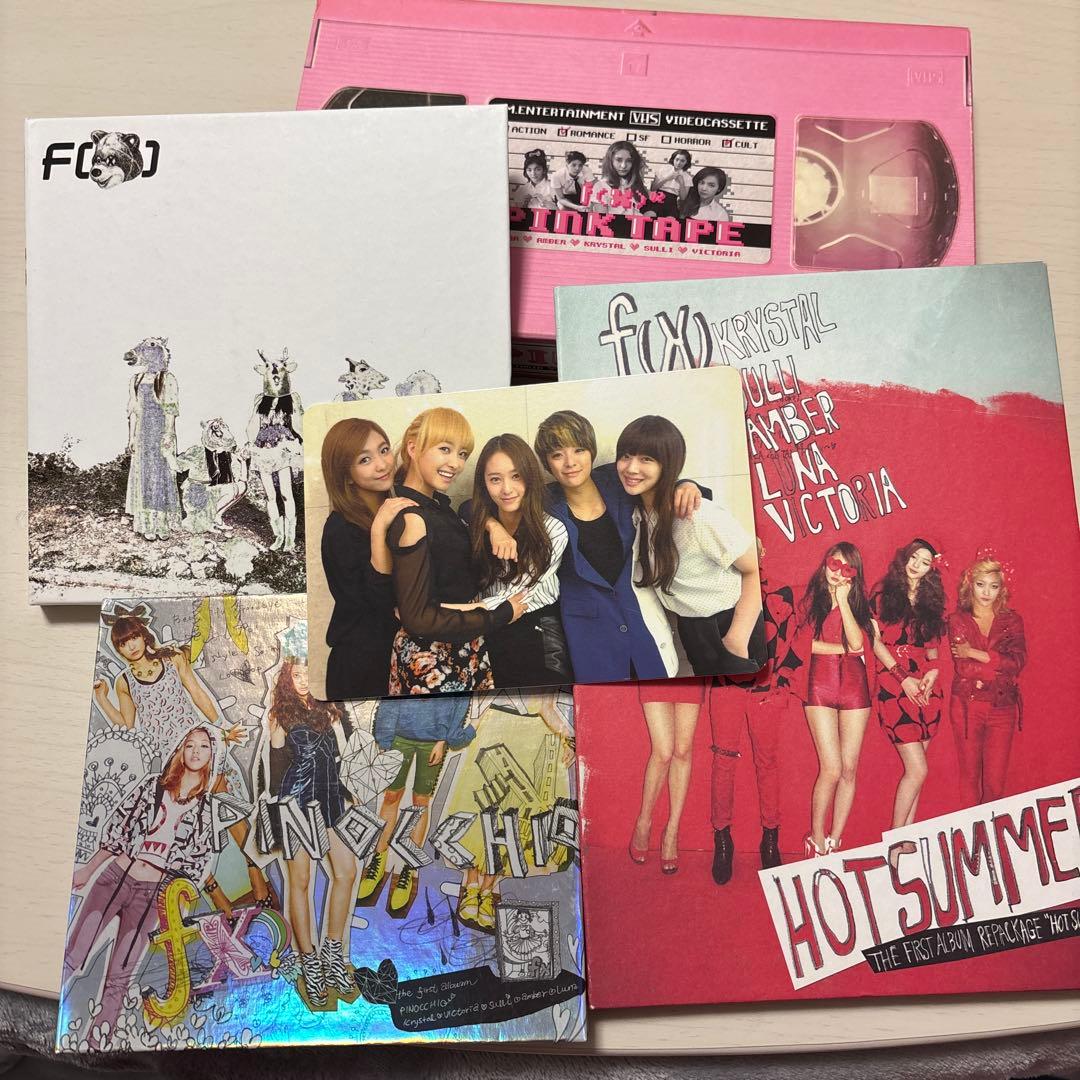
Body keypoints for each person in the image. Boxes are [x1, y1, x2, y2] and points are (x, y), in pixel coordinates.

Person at [91, 607, 267, 914]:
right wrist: (102, 699)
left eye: (133, 637)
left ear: (143, 635)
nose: (130, 646)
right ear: (118, 649)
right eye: (122, 643)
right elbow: (128, 726)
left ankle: (255, 869)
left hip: (197, 744)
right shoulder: (124, 681)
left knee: (224, 803)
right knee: (181, 827)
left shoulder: (172, 659)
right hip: (170, 761)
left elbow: (197, 693)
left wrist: (221, 727)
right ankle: (217, 898)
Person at [63, 726, 220, 1047]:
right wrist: (89, 869)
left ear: (211, 756)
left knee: (120, 974)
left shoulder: (206, 811)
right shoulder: (153, 786)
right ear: (180, 750)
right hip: (114, 879)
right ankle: (58, 1020)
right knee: (73, 955)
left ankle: (98, 1043)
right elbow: (119, 828)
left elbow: (196, 862)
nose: (195, 752)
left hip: (151, 896)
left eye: (203, 747)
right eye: (189, 744)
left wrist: (174, 905)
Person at [533, 410, 706, 683]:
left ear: (591, 451)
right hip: (589, 635)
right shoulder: (541, 502)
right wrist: (494, 527)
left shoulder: (617, 480)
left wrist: (687, 484)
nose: (570, 463)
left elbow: (663, 483)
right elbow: (474, 508)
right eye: (557, 455)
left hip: (641, 622)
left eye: (578, 450)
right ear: (547, 464)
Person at [387, 407, 526, 694]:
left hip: (463, 644)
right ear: (413, 448)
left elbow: (468, 509)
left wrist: (493, 526)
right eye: (445, 449)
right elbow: (419, 618)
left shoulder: (437, 506)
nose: (456, 463)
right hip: (432, 660)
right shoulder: (413, 517)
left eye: (462, 454)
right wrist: (499, 615)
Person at [255, 622, 359, 1009]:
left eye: (308, 673)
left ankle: (332, 953)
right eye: (296, 674)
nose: (303, 681)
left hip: (329, 800)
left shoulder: (332, 705)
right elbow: (273, 772)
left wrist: (349, 786)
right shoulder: (280, 714)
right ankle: (310, 962)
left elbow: (347, 754)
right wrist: (274, 739)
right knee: (299, 881)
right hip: (295, 803)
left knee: (345, 872)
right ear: (288, 676)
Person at [616, 414, 765, 676]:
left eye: (646, 459)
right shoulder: (639, 513)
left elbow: (754, 568)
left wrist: (737, 639)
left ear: (667, 465)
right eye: (626, 456)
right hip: (693, 631)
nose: (631, 468)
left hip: (732, 624)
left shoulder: (696, 515)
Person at [709, 554, 798, 885]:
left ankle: (771, 838)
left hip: (766, 691)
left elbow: (791, 645)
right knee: (723, 761)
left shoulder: (782, 594)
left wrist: (780, 687)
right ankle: (722, 839)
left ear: (762, 551)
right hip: (726, 688)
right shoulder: (716, 590)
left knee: (767, 763)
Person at [463, 433, 572, 688]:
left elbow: (516, 596)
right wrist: (493, 526)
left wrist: (442, 615)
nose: (507, 489)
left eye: (516, 476)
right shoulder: (480, 522)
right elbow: (466, 507)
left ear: (530, 477)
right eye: (495, 479)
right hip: (490, 626)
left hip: (537, 628)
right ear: (484, 484)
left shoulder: (553, 531)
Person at [319, 417, 416, 699]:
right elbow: (378, 603)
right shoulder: (339, 529)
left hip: (399, 657)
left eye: (384, 450)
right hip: (361, 665)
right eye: (365, 460)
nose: (382, 464)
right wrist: (378, 531)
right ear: (346, 475)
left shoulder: (397, 511)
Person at [357, 695, 478, 916]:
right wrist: (384, 738)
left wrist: (443, 740)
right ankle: (378, 861)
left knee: (420, 802)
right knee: (391, 795)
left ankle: (409, 867)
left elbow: (458, 700)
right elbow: (392, 692)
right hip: (399, 734)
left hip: (433, 740)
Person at [793, 543, 875, 858]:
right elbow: (805, 646)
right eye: (833, 563)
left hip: (855, 686)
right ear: (825, 562)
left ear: (855, 574)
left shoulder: (857, 602)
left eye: (846, 568)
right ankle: (816, 838)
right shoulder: (809, 599)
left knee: (849, 769)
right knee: (831, 767)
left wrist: (843, 601)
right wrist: (845, 650)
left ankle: (835, 839)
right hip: (819, 683)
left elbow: (857, 641)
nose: (837, 572)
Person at [870, 538, 948, 831]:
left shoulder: (932, 599)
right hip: (894, 683)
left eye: (925, 562)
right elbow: (874, 642)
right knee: (917, 769)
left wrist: (933, 672)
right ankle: (895, 839)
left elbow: (932, 647)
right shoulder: (882, 592)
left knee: (919, 773)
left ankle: (908, 836)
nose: (916, 565)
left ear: (931, 569)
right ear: (905, 557)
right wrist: (903, 678)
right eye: (914, 558)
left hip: (926, 687)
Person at [948, 551, 1026, 806]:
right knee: (970, 778)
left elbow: (1017, 662)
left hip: (1003, 707)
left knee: (995, 784)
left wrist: (973, 652)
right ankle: (974, 830)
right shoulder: (958, 620)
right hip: (967, 707)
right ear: (970, 584)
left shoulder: (1012, 620)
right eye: (981, 584)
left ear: (1001, 589)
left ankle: (990, 828)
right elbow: (964, 669)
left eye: (993, 586)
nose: (986, 592)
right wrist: (998, 666)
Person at [629, 680, 706, 875]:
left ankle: (672, 832)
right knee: (663, 752)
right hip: (656, 667)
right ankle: (644, 822)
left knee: (683, 751)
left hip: (689, 670)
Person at [123, 336, 181, 541]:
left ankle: (161, 524)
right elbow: (133, 411)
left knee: (161, 475)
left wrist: (168, 434)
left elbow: (170, 410)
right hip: (142, 435)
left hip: (160, 433)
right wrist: (131, 438)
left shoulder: (167, 379)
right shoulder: (136, 380)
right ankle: (147, 524)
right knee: (145, 476)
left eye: (152, 352)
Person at [589, 140, 655, 218]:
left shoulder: (635, 185)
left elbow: (649, 212)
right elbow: (601, 219)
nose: (623, 166)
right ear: (610, 161)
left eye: (629, 161)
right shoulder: (600, 186)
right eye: (619, 160)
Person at [649, 149, 694, 217]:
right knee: (650, 215)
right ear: (673, 159)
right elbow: (653, 188)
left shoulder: (688, 177)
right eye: (677, 159)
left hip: (672, 202)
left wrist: (681, 183)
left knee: (671, 220)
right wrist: (667, 178)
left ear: (686, 162)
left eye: (682, 161)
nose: (678, 163)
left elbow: (683, 198)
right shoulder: (663, 169)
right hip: (657, 198)